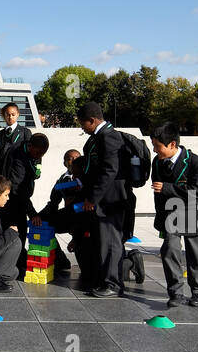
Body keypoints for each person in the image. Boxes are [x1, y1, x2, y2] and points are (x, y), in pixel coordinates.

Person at [150, 122, 198, 308]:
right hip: (171, 216)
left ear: (172, 144)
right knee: (169, 250)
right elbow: (158, 195)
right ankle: (175, 293)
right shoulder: (157, 162)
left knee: (196, 256)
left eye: (157, 146)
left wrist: (168, 188)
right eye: (153, 145)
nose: (155, 150)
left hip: (195, 213)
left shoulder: (196, 162)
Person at [77, 101, 131, 297]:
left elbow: (109, 170)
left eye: (83, 124)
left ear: (92, 120)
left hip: (110, 201)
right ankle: (104, 279)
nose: (82, 127)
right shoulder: (99, 136)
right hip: (102, 201)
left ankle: (113, 284)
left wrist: (93, 198)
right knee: (103, 242)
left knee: (110, 243)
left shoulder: (109, 137)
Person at [0, 131, 47, 266]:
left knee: (19, 230)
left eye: (42, 154)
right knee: (15, 229)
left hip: (19, 197)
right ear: (30, 146)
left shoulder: (33, 151)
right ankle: (10, 263)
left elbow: (35, 168)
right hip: (11, 199)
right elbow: (18, 189)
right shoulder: (17, 157)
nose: (39, 157)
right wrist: (32, 213)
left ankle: (15, 259)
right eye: (38, 153)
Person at [39, 149, 84, 273]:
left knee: (89, 270)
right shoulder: (61, 181)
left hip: (86, 221)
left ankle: (129, 259)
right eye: (70, 158)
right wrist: (37, 216)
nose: (73, 161)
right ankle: (60, 260)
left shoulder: (87, 178)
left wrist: (76, 236)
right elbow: (53, 203)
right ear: (65, 163)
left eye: (77, 158)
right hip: (70, 217)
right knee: (42, 223)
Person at [0, 102, 31, 178]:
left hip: (19, 177)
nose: (10, 117)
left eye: (13, 114)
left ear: (18, 114)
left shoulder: (25, 132)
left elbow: (31, 154)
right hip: (2, 176)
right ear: (4, 116)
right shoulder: (0, 134)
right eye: (8, 115)